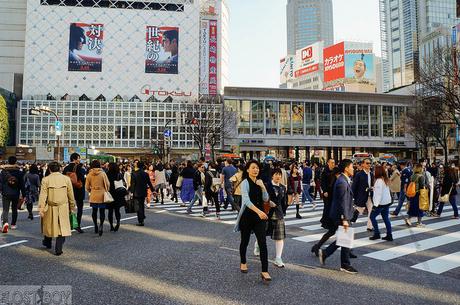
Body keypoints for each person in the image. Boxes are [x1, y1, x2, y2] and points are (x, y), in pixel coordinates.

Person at [233, 160, 271, 283]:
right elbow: (246, 201)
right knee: (245, 241)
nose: (256, 170)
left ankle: (265, 271)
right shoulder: (245, 182)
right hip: (248, 216)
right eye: (253, 168)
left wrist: (263, 186)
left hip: (259, 218)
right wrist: (259, 212)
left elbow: (265, 199)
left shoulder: (260, 182)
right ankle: (243, 261)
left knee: (263, 243)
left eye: (257, 168)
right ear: (248, 170)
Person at [318, 159, 357, 274]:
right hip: (341, 215)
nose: (353, 168)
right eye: (352, 167)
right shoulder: (342, 182)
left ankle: (326, 254)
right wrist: (344, 219)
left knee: (344, 238)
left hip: (342, 214)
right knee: (345, 238)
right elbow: (342, 202)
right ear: (346, 168)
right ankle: (344, 264)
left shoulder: (343, 180)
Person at [38, 162, 76, 256]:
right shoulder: (66, 179)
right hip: (63, 206)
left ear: (49, 169)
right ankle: (58, 248)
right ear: (60, 169)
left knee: (48, 225)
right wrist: (72, 206)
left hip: (50, 206)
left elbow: (43, 196)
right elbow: (70, 194)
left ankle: (47, 242)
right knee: (62, 227)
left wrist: (41, 208)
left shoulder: (45, 180)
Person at [311, 167, 340, 256]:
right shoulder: (337, 182)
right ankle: (322, 250)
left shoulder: (335, 181)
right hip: (336, 212)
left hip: (334, 211)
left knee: (333, 231)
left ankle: (318, 246)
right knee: (335, 231)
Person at [266, 168, 287, 268]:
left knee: (280, 237)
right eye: (276, 174)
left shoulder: (283, 187)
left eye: (280, 174)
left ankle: (278, 258)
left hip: (278, 214)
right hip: (266, 213)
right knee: (262, 233)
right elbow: (261, 198)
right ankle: (257, 245)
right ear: (272, 175)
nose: (278, 176)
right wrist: (268, 202)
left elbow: (284, 202)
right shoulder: (266, 186)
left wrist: (283, 211)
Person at [0, 156, 25, 233]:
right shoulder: (19, 172)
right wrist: (23, 194)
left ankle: (5, 223)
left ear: (8, 161)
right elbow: (22, 184)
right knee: (14, 209)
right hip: (15, 193)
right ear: (15, 162)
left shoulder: (3, 172)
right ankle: (13, 224)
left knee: (5, 209)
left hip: (6, 192)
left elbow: (0, 183)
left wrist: (1, 190)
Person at [85, 160, 110, 236]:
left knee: (94, 211)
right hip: (102, 194)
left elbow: (86, 186)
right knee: (102, 211)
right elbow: (107, 184)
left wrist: (91, 190)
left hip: (93, 194)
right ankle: (101, 225)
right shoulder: (103, 174)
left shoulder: (89, 174)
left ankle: (95, 225)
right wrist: (106, 190)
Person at [63, 153, 86, 233]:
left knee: (69, 208)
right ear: (75, 159)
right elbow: (83, 179)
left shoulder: (66, 168)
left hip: (68, 190)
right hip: (78, 190)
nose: (79, 160)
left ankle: (67, 224)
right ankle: (77, 225)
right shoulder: (80, 168)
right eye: (79, 158)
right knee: (80, 208)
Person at [369, 165, 393, 241]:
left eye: (375, 170)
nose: (373, 171)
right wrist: (374, 188)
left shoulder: (379, 180)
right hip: (387, 202)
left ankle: (377, 234)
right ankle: (389, 235)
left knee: (372, 217)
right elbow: (383, 191)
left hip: (380, 203)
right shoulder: (385, 179)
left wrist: (375, 205)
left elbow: (378, 194)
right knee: (386, 218)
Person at [351, 158, 374, 231]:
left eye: (370, 163)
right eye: (367, 163)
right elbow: (354, 186)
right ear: (363, 164)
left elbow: (372, 184)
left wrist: (372, 188)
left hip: (370, 196)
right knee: (359, 209)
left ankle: (369, 227)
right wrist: (353, 197)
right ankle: (350, 221)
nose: (369, 165)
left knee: (371, 211)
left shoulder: (371, 173)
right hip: (361, 196)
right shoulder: (359, 174)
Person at [130, 162, 155, 226]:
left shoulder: (134, 173)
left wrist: (131, 192)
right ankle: (142, 217)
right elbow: (149, 183)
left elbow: (132, 184)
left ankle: (140, 220)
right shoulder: (145, 174)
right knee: (141, 205)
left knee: (138, 206)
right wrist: (153, 190)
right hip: (143, 191)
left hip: (136, 192)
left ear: (137, 166)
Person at [107, 162, 126, 232]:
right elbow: (124, 183)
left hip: (110, 194)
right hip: (118, 194)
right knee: (117, 210)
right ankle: (118, 223)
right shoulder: (119, 174)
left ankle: (111, 226)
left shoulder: (107, 174)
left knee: (110, 211)